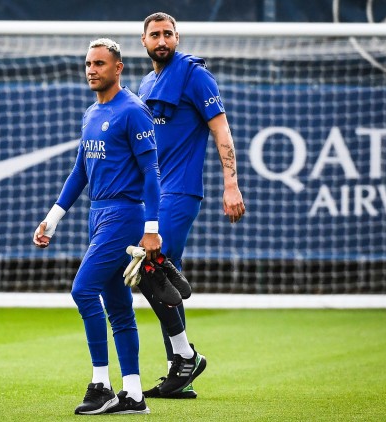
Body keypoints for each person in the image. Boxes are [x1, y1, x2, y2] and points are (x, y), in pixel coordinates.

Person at [33, 38, 161, 415]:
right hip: (98, 214)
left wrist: (151, 227)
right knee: (119, 307)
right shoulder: (90, 113)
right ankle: (134, 394)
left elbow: (152, 174)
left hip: (124, 215)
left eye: (100, 64)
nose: (92, 69)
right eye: (89, 63)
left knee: (82, 290)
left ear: (118, 68)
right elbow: (80, 172)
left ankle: (102, 384)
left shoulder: (134, 111)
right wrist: (53, 219)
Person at [137, 12, 246, 399]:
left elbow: (221, 129)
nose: (162, 40)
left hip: (181, 192)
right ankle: (178, 371)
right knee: (156, 274)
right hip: (153, 196)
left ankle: (185, 356)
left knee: (147, 267)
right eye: (155, 35)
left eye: (168, 33)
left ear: (177, 38)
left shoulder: (195, 75)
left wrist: (230, 184)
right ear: (144, 42)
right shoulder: (147, 82)